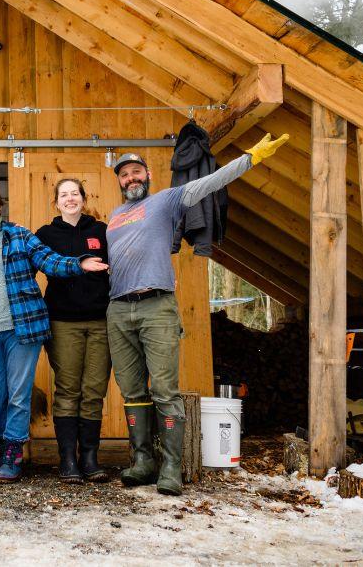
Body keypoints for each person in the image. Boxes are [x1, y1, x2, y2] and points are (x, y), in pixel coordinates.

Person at [106, 133, 289, 496]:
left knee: (163, 389)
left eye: (136, 172)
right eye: (124, 175)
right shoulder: (114, 216)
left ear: (148, 175)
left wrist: (251, 157)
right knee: (131, 391)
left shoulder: (166, 201)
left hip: (156, 305)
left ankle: (171, 466)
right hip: (118, 308)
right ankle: (142, 461)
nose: (131, 179)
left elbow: (210, 183)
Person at [0, 183, 109, 484]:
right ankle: (1, 448)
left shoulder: (20, 236)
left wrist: (78, 263)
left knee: (18, 394)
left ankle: (13, 454)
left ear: (0, 206)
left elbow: (48, 260)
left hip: (21, 328)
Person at [35, 178, 111, 483]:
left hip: (101, 322)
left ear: (83, 198)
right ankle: (67, 460)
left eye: (74, 193)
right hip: (62, 321)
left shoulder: (102, 231)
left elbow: (125, 259)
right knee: (68, 389)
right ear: (56, 202)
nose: (69, 199)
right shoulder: (45, 234)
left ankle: (89, 458)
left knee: (94, 390)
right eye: (63, 195)